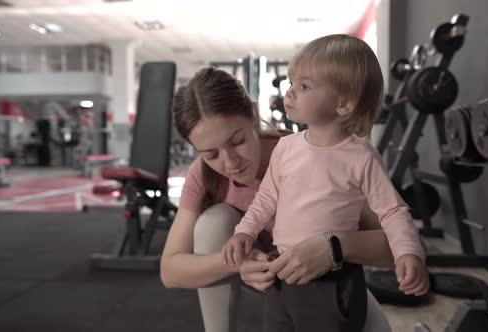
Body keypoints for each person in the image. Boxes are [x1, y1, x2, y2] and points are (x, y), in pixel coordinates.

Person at [161, 66, 399, 332]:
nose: (230, 164)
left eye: (237, 141)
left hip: (322, 289)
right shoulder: (204, 175)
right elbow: (170, 270)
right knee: (213, 222)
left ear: (253, 114)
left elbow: (399, 245)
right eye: (211, 154)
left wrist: (334, 246)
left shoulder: (314, 157)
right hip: (251, 293)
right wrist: (236, 264)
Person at [222, 34, 429, 331]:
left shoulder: (361, 157)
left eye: (304, 86)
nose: (290, 93)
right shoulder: (286, 147)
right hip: (283, 275)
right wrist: (244, 232)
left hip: (332, 282)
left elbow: (393, 212)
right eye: (291, 83)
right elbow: (266, 199)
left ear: (343, 103)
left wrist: (408, 253)